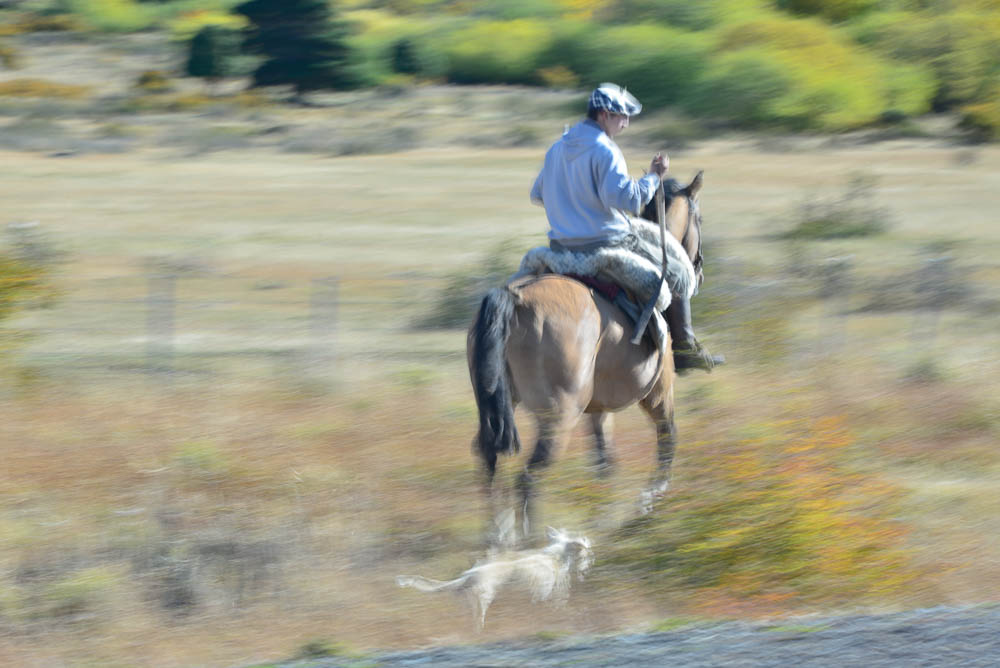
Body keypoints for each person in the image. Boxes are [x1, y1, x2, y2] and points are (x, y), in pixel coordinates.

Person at [530, 83, 722, 373]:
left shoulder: (558, 147)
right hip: (606, 242)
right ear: (604, 115)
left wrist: (574, 200)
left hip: (560, 245)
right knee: (679, 270)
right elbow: (628, 199)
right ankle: (685, 349)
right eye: (622, 116)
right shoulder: (605, 149)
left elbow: (538, 194)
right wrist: (654, 176)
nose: (626, 123)